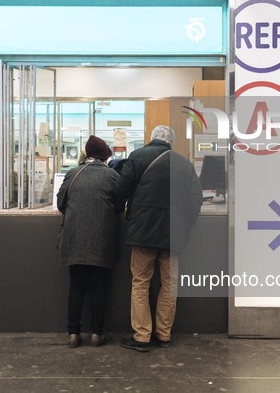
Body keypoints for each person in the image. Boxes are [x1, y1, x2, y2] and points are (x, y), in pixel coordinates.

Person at [115, 125, 203, 352]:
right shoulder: (184, 163)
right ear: (170, 141)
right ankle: (164, 334)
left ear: (151, 138)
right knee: (170, 285)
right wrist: (184, 225)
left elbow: (120, 189)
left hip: (143, 232)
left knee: (141, 282)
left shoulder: (137, 157)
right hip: (173, 235)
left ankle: (142, 336)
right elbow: (196, 200)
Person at [56, 135, 124, 348]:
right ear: (104, 156)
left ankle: (73, 334)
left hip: (74, 238)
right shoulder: (112, 176)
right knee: (99, 288)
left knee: (76, 287)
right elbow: (119, 206)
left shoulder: (72, 174)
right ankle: (97, 334)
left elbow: (60, 204)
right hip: (101, 238)